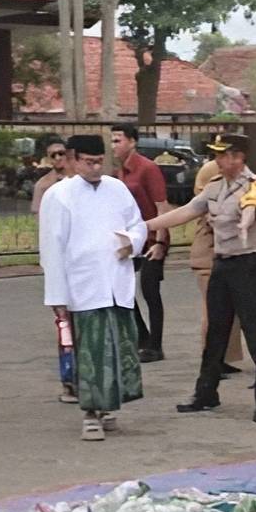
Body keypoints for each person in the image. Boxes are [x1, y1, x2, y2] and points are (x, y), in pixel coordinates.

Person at [148, 133, 256, 424]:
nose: (218, 160)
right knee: (216, 331)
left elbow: (252, 208)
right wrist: (146, 226)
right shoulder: (215, 186)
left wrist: (245, 223)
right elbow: (187, 211)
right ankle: (206, 394)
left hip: (248, 263)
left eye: (223, 154)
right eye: (216, 155)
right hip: (222, 262)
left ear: (239, 157)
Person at [39, 134, 147, 441]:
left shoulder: (118, 189)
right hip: (82, 287)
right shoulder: (59, 195)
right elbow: (51, 249)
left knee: (118, 348)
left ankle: (109, 406)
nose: (96, 167)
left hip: (116, 282)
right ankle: (90, 412)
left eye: (100, 161)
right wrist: (58, 297)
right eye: (89, 162)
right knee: (90, 353)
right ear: (73, 160)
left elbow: (138, 224)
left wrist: (133, 242)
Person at [111, 124, 171, 363]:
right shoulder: (121, 172)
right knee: (122, 289)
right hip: (132, 238)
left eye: (118, 140)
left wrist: (160, 242)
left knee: (150, 291)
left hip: (152, 238)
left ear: (132, 142)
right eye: (112, 141)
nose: (114, 146)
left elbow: (162, 206)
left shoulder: (147, 168)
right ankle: (141, 338)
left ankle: (155, 345)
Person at [32, 137, 78, 403]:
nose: (58, 160)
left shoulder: (87, 184)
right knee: (64, 327)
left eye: (62, 154)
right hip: (57, 265)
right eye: (53, 155)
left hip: (83, 268)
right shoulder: (45, 187)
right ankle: (68, 380)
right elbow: (44, 228)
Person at [190, 157, 244, 373]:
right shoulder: (209, 200)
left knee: (225, 311)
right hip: (209, 256)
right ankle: (212, 360)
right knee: (213, 311)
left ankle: (222, 358)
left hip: (221, 255)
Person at [30, 136, 71, 215]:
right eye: (53, 155)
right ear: (48, 159)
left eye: (61, 153)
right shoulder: (42, 185)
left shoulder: (80, 177)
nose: (57, 158)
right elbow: (36, 212)